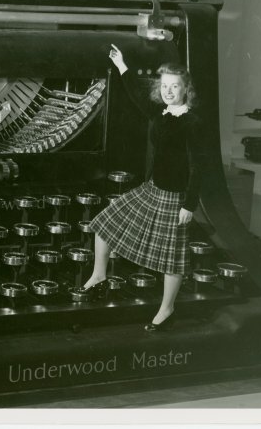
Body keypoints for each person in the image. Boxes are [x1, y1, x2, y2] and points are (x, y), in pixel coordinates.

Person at [81, 44, 204, 331]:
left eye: (175, 87)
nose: (168, 91)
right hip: (152, 190)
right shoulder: (160, 114)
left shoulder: (192, 123)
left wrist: (190, 204)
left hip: (176, 197)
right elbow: (137, 94)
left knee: (172, 258)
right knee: (105, 221)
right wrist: (122, 65)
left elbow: (199, 166)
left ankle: (167, 308)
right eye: (164, 86)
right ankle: (99, 274)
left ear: (187, 90)